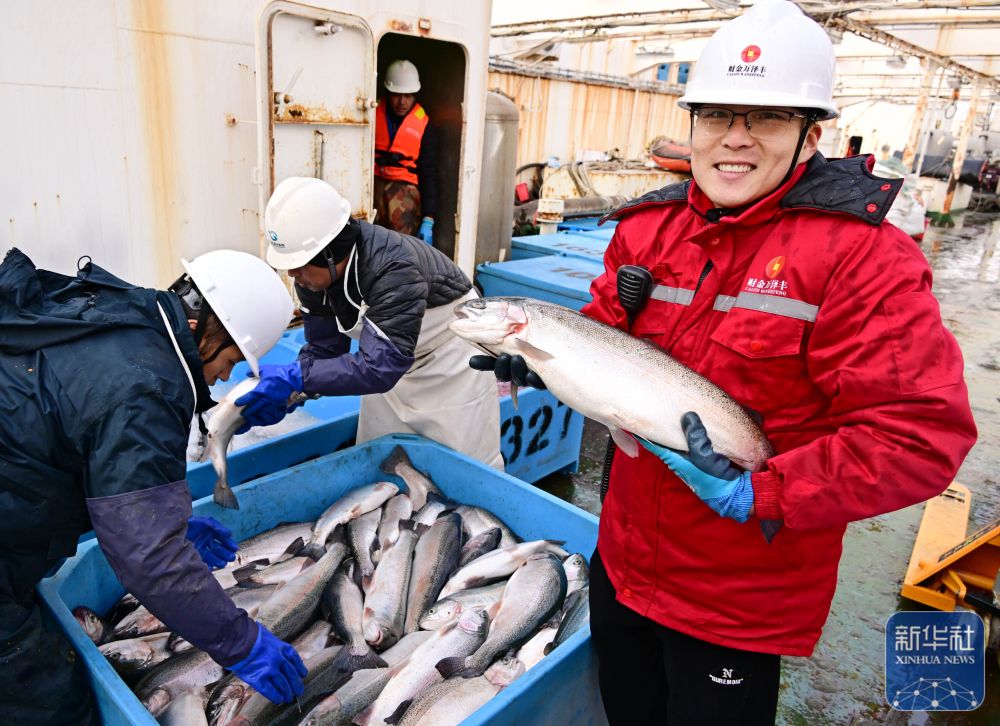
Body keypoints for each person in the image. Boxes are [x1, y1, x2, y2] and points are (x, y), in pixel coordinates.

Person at [471, 1, 977, 723]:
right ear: (693, 124)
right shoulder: (648, 227)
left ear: (811, 135)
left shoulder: (864, 261)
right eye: (716, 116)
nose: (734, 141)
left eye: (765, 118)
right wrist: (543, 357)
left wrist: (765, 494)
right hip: (623, 559)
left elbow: (919, 438)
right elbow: (607, 337)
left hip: (736, 597)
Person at [0, 247, 305, 723]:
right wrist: (241, 644)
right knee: (55, 705)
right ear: (210, 331)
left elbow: (72, 445)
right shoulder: (146, 387)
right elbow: (151, 560)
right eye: (230, 358)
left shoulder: (116, 314)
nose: (226, 374)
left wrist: (169, 528)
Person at [238, 176, 502, 469]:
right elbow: (326, 349)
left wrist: (298, 376)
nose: (292, 275)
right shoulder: (313, 278)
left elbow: (380, 368)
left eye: (299, 265)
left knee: (464, 471)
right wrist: (290, 395)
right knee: (382, 465)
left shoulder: (393, 267)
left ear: (328, 252)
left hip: (451, 365)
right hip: (390, 367)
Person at [373, 59, 438, 243]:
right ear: (387, 92)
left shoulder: (425, 126)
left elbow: (429, 172)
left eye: (408, 96)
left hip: (404, 197)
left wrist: (429, 218)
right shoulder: (372, 113)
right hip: (373, 187)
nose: (402, 102)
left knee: (399, 247)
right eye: (397, 95)